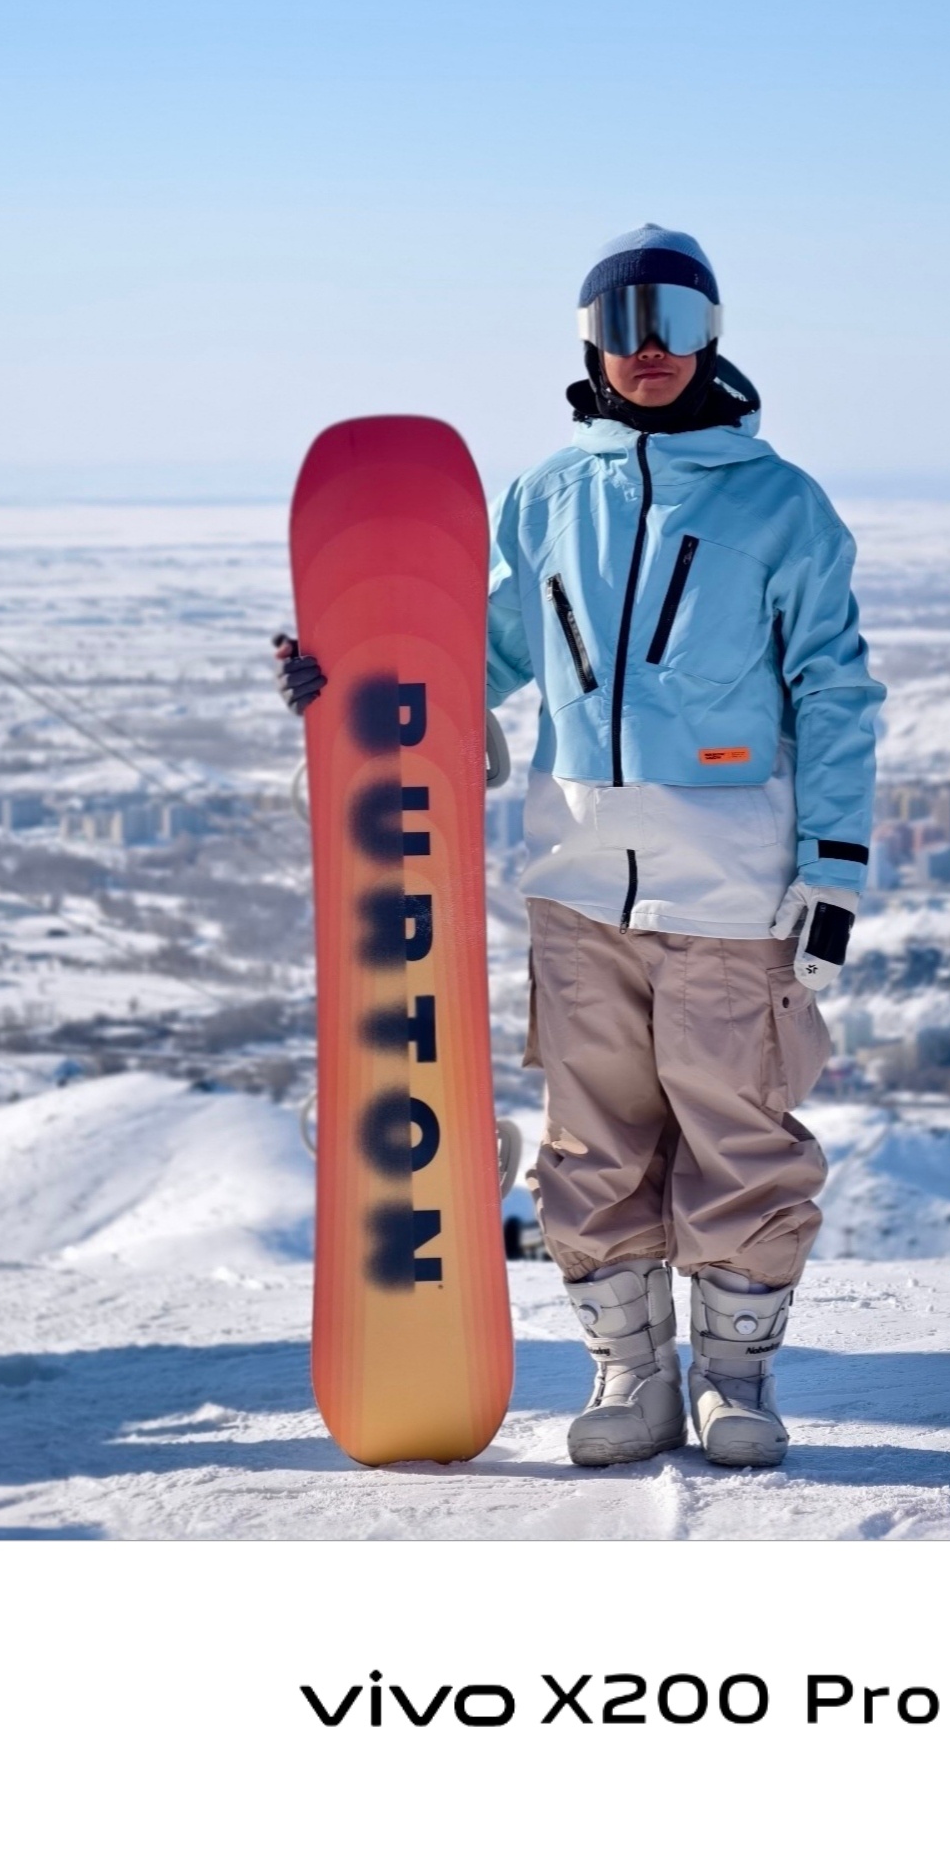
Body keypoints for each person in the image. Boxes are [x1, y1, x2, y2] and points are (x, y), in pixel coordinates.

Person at [275, 224, 883, 1470]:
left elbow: (834, 686)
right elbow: (485, 649)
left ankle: (733, 1378)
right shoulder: (553, 492)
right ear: (589, 342)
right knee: (590, 1137)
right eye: (621, 320)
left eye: (674, 316)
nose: (648, 346)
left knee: (737, 1132)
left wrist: (832, 869)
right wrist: (350, 687)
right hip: (579, 881)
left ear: (715, 333)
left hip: (732, 885)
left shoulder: (783, 504)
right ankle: (631, 1371)